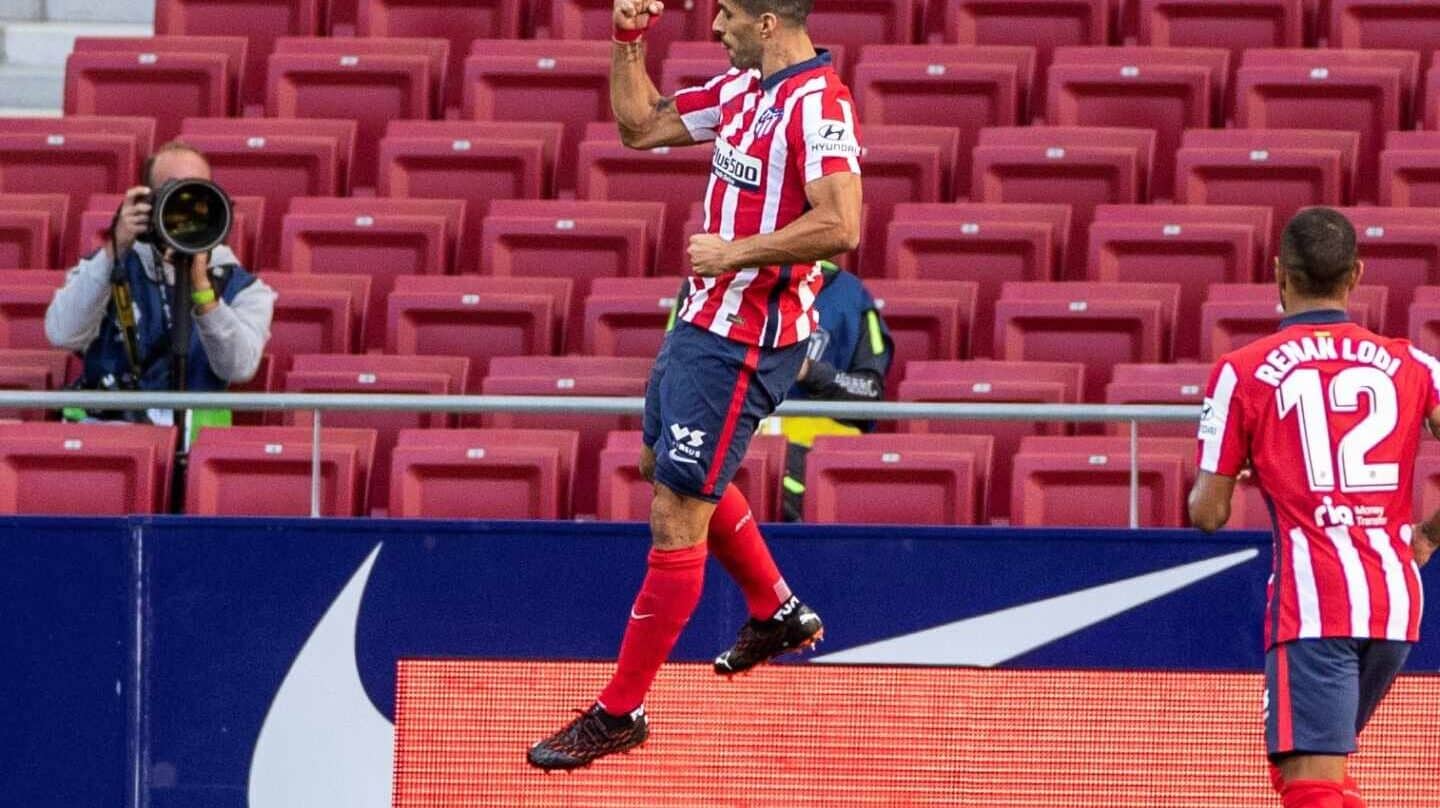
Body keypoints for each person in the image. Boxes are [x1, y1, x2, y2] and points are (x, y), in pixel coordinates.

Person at [528, 0, 863, 770]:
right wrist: (626, 38)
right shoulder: (745, 90)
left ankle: (621, 709)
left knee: (677, 511)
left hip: (745, 342)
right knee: (665, 470)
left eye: (726, 15)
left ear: (769, 22)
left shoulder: (821, 105)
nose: (714, 28)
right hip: (698, 323)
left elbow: (843, 223)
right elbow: (640, 126)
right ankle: (775, 610)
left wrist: (738, 252)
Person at [1189, 207, 1437, 808]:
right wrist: (1427, 535)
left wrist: (1247, 468)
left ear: (1278, 275)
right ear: (1355, 274)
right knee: (1311, 772)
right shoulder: (1416, 365)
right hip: (1394, 604)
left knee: (1311, 785)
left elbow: (1208, 513)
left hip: (1317, 601)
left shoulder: (1241, 374)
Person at [44, 141, 275, 425]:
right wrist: (113, 253)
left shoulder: (244, 288)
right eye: (173, 192)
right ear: (147, 203)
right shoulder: (108, 268)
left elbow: (238, 368)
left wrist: (203, 291)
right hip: (109, 438)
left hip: (196, 449)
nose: (185, 205)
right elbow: (62, 333)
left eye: (196, 193)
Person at [671, 261, 894, 520]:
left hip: (810, 459)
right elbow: (675, 375)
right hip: (725, 442)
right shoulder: (703, 286)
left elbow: (871, 393)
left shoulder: (851, 295)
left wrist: (808, 371)